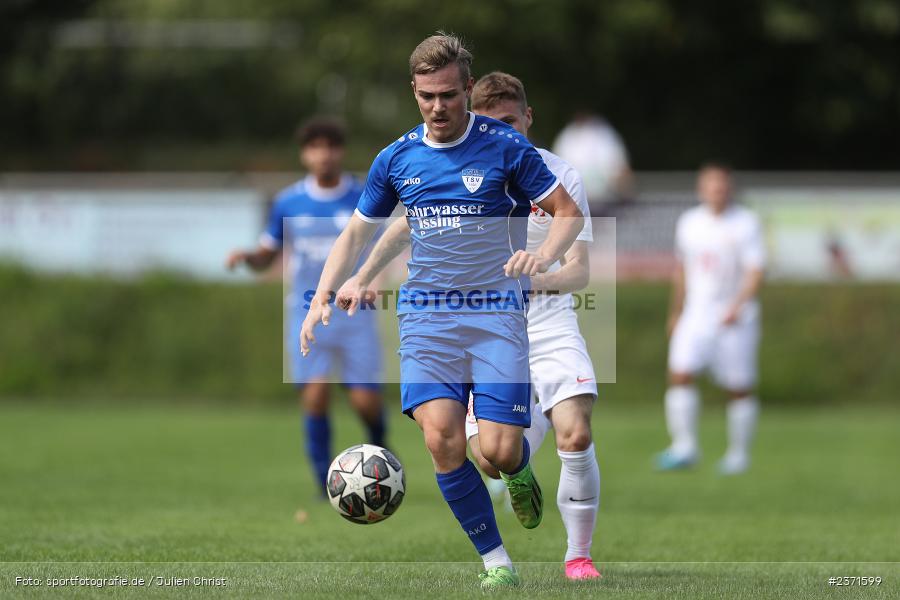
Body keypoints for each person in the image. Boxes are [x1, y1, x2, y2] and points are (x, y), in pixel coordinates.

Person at [300, 33, 584, 590]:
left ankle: (520, 468)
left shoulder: (504, 145)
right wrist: (324, 295)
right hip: (427, 317)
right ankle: (496, 563)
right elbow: (358, 230)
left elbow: (567, 212)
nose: (438, 107)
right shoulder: (397, 157)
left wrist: (544, 255)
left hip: (496, 311)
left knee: (499, 450)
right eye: (427, 96)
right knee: (441, 438)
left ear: (468, 88)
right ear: (414, 91)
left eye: (449, 95)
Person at [226, 118, 387, 494]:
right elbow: (268, 254)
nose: (324, 154)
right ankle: (323, 482)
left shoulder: (363, 196)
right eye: (315, 147)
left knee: (365, 401)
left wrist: (373, 286)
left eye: (331, 146)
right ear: (305, 154)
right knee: (315, 396)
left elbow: (381, 249)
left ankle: (381, 451)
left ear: (340, 151)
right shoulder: (289, 201)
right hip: (305, 309)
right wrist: (248, 257)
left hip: (353, 312)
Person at [656, 163, 765, 475]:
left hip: (734, 317)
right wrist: (675, 312)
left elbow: (756, 270)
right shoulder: (690, 222)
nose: (717, 190)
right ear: (701, 189)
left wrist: (738, 305)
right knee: (680, 374)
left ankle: (738, 455)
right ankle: (684, 446)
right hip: (696, 314)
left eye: (722, 184)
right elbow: (682, 271)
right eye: (711, 185)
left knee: (739, 386)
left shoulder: (746, 222)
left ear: (730, 187)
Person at [552, 111, 632, 206]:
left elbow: (620, 170)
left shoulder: (604, 134)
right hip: (575, 201)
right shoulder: (567, 136)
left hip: (603, 200)